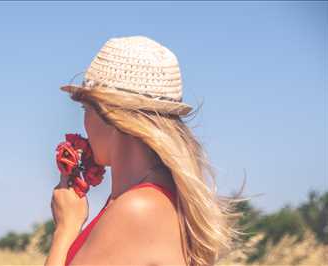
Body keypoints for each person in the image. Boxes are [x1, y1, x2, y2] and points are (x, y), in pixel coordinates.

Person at [45, 35, 246, 266]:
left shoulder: (138, 209)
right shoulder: (152, 199)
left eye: (86, 108)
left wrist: (66, 228)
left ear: (110, 115)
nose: (84, 122)